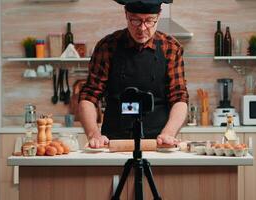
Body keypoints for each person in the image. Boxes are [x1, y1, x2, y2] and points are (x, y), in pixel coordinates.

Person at [78, 0, 189, 148]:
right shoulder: (107, 46)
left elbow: (179, 97)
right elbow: (89, 96)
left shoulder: (171, 47)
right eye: (135, 20)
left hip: (158, 142)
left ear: (159, 16)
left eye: (149, 21)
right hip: (114, 142)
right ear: (126, 15)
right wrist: (94, 134)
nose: (142, 28)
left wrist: (169, 133)